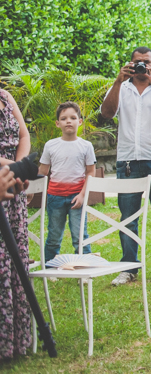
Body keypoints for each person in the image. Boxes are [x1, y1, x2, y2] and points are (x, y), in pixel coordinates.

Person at [100, 47, 151, 285]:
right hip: (128, 162)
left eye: (146, 62)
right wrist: (117, 81)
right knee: (127, 217)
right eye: (137, 62)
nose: (142, 66)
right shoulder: (121, 88)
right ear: (130, 64)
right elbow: (106, 113)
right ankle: (128, 267)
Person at [38, 102, 96, 261]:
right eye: (63, 118)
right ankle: (49, 268)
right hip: (54, 198)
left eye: (73, 117)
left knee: (80, 236)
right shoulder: (51, 145)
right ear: (58, 123)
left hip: (77, 198)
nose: (68, 121)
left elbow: (91, 172)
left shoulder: (86, 146)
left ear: (80, 121)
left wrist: (83, 195)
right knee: (54, 236)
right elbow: (43, 171)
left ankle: (84, 268)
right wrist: (30, 190)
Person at [0, 87, 32, 361]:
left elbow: (24, 135)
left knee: (15, 262)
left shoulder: (5, 96)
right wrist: (11, 167)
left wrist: (19, 166)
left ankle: (16, 343)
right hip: (3, 176)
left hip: (12, 186)